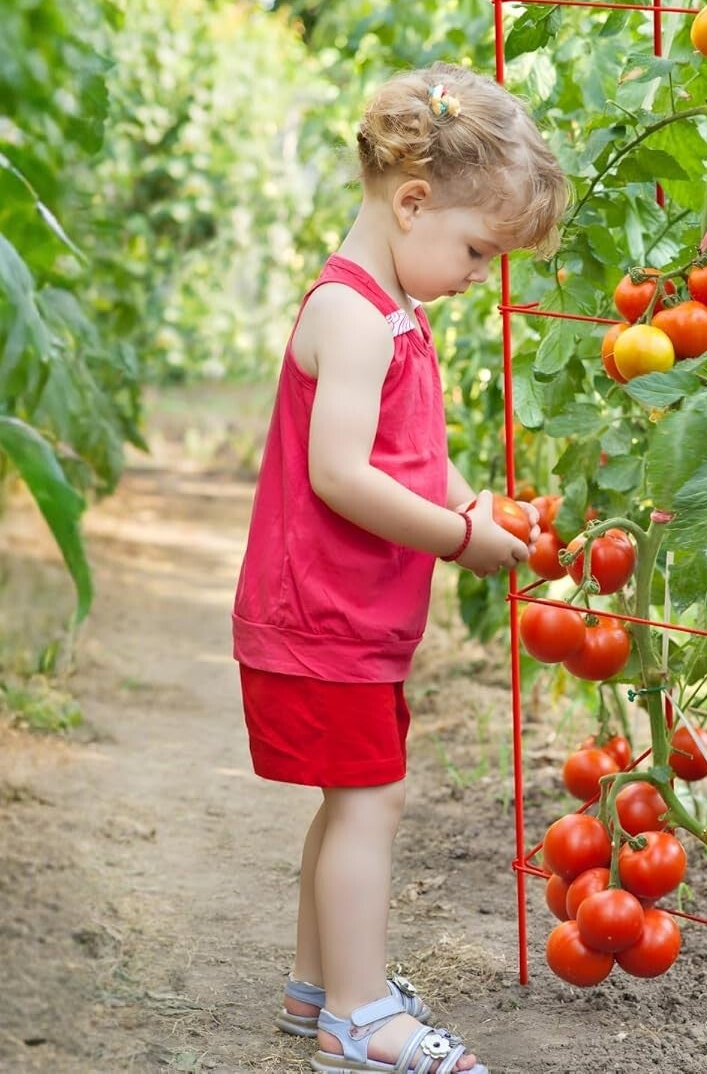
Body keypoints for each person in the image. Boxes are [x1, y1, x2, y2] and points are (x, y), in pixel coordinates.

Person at [232, 65, 568, 1073]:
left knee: (350, 801)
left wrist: (467, 498)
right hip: (318, 617)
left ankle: (318, 986)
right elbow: (338, 475)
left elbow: (405, 452)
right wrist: (459, 538)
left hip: (348, 618)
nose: (477, 273)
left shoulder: (394, 310)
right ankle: (359, 1016)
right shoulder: (350, 316)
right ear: (412, 201)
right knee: (370, 802)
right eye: (475, 249)